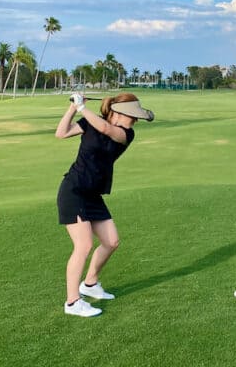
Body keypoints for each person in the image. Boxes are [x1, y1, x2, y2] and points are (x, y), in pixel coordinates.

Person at [54, 92, 154, 317]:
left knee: (112, 241)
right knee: (84, 245)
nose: (135, 120)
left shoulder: (126, 133)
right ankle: (72, 302)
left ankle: (89, 284)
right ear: (119, 113)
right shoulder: (89, 122)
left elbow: (107, 130)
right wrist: (73, 107)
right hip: (74, 190)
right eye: (133, 116)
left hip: (93, 194)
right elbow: (60, 134)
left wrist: (82, 109)